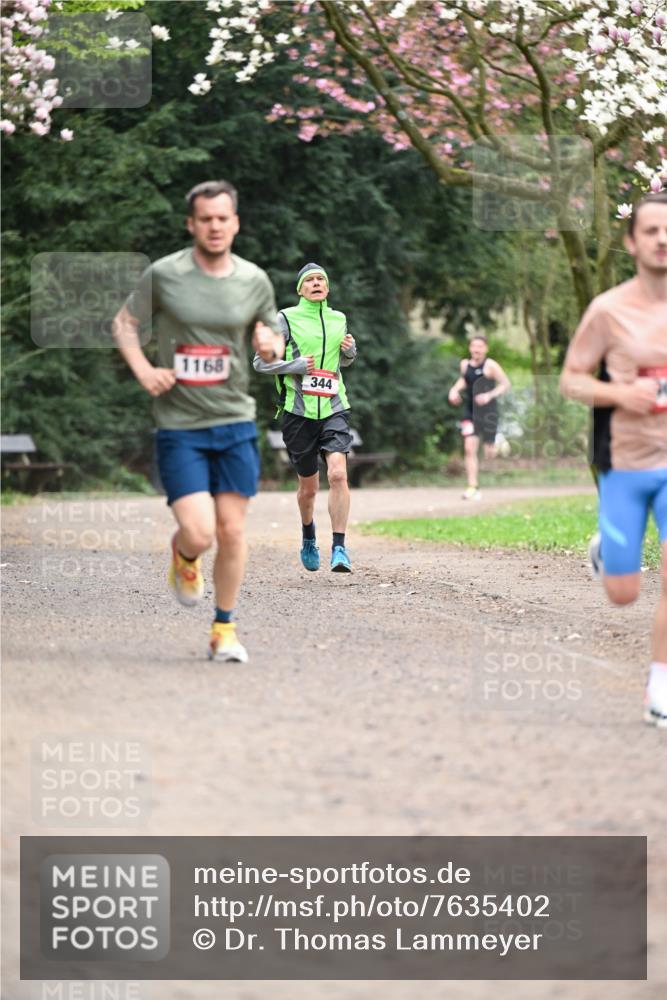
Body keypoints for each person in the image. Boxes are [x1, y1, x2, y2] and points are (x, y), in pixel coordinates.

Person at [112, 179, 285, 664]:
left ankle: (224, 630)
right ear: (191, 224)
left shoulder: (254, 279)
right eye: (204, 218)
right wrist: (145, 370)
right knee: (200, 533)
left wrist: (269, 345)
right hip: (180, 425)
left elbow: (267, 331)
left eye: (222, 218)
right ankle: (185, 557)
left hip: (233, 421)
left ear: (235, 223)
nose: (214, 226)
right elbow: (124, 324)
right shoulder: (165, 274)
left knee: (232, 532)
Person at [559, 190, 667, 728]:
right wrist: (621, 395)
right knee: (624, 595)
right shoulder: (608, 309)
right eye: (651, 230)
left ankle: (660, 688)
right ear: (632, 241)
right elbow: (571, 380)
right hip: (627, 462)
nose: (663, 239)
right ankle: (607, 547)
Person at [253, 262, 356, 572]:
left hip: (334, 406)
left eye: (320, 279)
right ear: (300, 289)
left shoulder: (339, 319)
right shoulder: (285, 319)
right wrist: (293, 365)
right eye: (309, 280)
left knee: (338, 474)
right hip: (298, 412)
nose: (315, 283)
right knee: (308, 488)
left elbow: (344, 363)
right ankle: (309, 535)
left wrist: (350, 352)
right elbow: (260, 362)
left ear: (327, 287)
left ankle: (339, 547)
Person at [448, 336, 511, 499]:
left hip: (488, 413)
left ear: (486, 349)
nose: (476, 349)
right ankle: (472, 487)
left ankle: (498, 441)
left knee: (489, 453)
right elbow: (464, 380)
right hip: (470, 412)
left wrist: (489, 396)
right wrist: (454, 390)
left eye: (480, 346)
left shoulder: (491, 366)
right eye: (473, 346)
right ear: (470, 348)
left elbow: (505, 384)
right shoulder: (464, 365)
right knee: (469, 449)